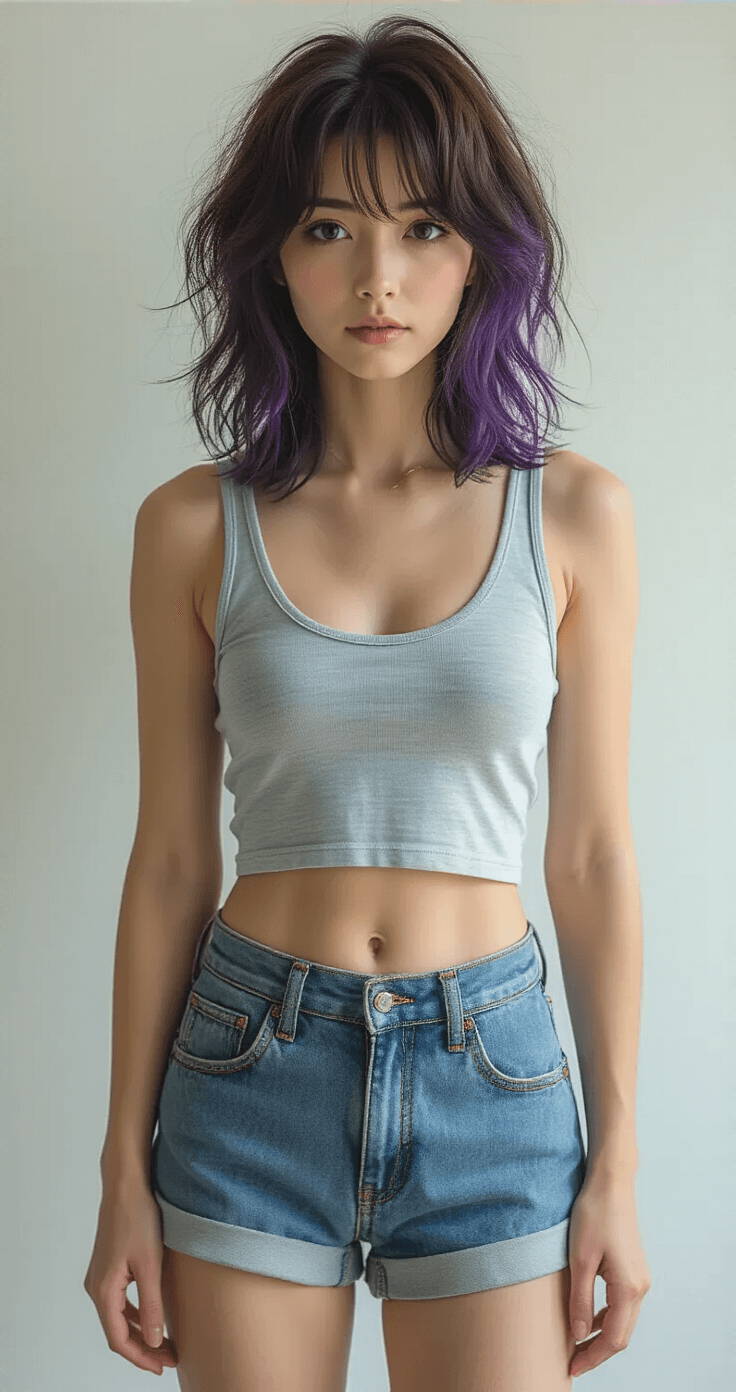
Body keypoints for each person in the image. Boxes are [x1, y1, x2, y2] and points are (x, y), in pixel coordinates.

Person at [83, 14, 650, 1390]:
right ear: (272, 252)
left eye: (425, 230)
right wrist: (121, 1174)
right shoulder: (189, 530)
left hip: (499, 1074)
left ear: (484, 254)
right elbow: (169, 861)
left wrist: (618, 1167)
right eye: (332, 228)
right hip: (250, 1062)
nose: (379, 277)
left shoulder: (574, 514)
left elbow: (589, 857)